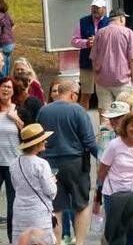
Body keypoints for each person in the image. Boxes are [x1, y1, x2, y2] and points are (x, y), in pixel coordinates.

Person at [37, 80, 97, 244]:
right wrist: (105, 159)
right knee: (81, 205)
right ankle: (79, 242)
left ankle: (56, 241)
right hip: (75, 164)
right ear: (73, 93)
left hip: (50, 164)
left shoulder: (44, 111)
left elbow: (38, 138)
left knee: (55, 207)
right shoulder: (77, 110)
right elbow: (89, 141)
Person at [95, 110, 133, 245]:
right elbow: (102, 172)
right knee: (117, 238)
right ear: (125, 126)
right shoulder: (114, 145)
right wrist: (98, 195)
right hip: (114, 195)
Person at [11, 124, 57, 245]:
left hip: (20, 212)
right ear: (37, 144)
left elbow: (16, 187)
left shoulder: (14, 164)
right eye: (43, 140)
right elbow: (51, 191)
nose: (45, 141)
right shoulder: (41, 164)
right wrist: (53, 181)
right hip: (38, 213)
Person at [90, 9, 133, 112]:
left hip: (102, 80)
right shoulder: (128, 32)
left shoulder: (100, 33)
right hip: (122, 80)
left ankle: (105, 128)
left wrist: (96, 77)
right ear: (121, 18)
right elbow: (132, 58)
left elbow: (93, 58)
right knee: (124, 113)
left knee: (105, 114)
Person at [0, 78, 23, 242]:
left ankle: (12, 239)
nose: (5, 90)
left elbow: (29, 133)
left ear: (13, 91)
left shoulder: (19, 110)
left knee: (12, 205)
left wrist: (15, 119)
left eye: (9, 87)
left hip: (13, 165)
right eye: (2, 86)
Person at [0, 0, 13, 78]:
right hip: (10, 43)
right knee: (7, 62)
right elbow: (12, 24)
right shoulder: (6, 14)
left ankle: (2, 82)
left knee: (1, 66)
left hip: (3, 44)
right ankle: (7, 79)